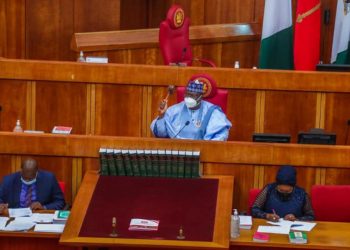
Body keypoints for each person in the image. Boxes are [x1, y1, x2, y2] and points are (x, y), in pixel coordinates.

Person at [150, 75, 232, 140]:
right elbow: (161, 134)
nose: (189, 98)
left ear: (200, 97)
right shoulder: (175, 110)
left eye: (192, 96)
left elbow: (220, 136)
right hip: (177, 152)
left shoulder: (213, 112)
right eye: (187, 94)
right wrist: (162, 116)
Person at [0, 158, 65, 213]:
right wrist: (1, 206)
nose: (27, 180)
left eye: (30, 178)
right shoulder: (8, 180)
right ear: (21, 171)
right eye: (25, 178)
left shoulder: (49, 179)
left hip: (39, 217)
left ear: (37, 172)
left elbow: (60, 202)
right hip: (15, 218)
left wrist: (43, 207)